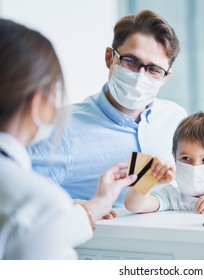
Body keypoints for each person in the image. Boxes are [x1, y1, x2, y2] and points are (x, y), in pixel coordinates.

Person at [0, 19, 143, 259]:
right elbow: (40, 227)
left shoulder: (172, 117)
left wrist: (97, 204)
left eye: (153, 69)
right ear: (39, 101)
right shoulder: (39, 203)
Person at [28, 10, 187, 207]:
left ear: (165, 77)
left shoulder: (177, 119)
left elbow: (187, 190)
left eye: (154, 69)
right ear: (109, 58)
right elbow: (17, 196)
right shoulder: (61, 127)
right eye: (131, 61)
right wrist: (74, 207)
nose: (140, 75)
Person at [125, 112, 204, 214]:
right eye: (186, 158)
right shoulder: (171, 195)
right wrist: (149, 177)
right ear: (174, 157)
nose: (195, 167)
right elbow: (134, 205)